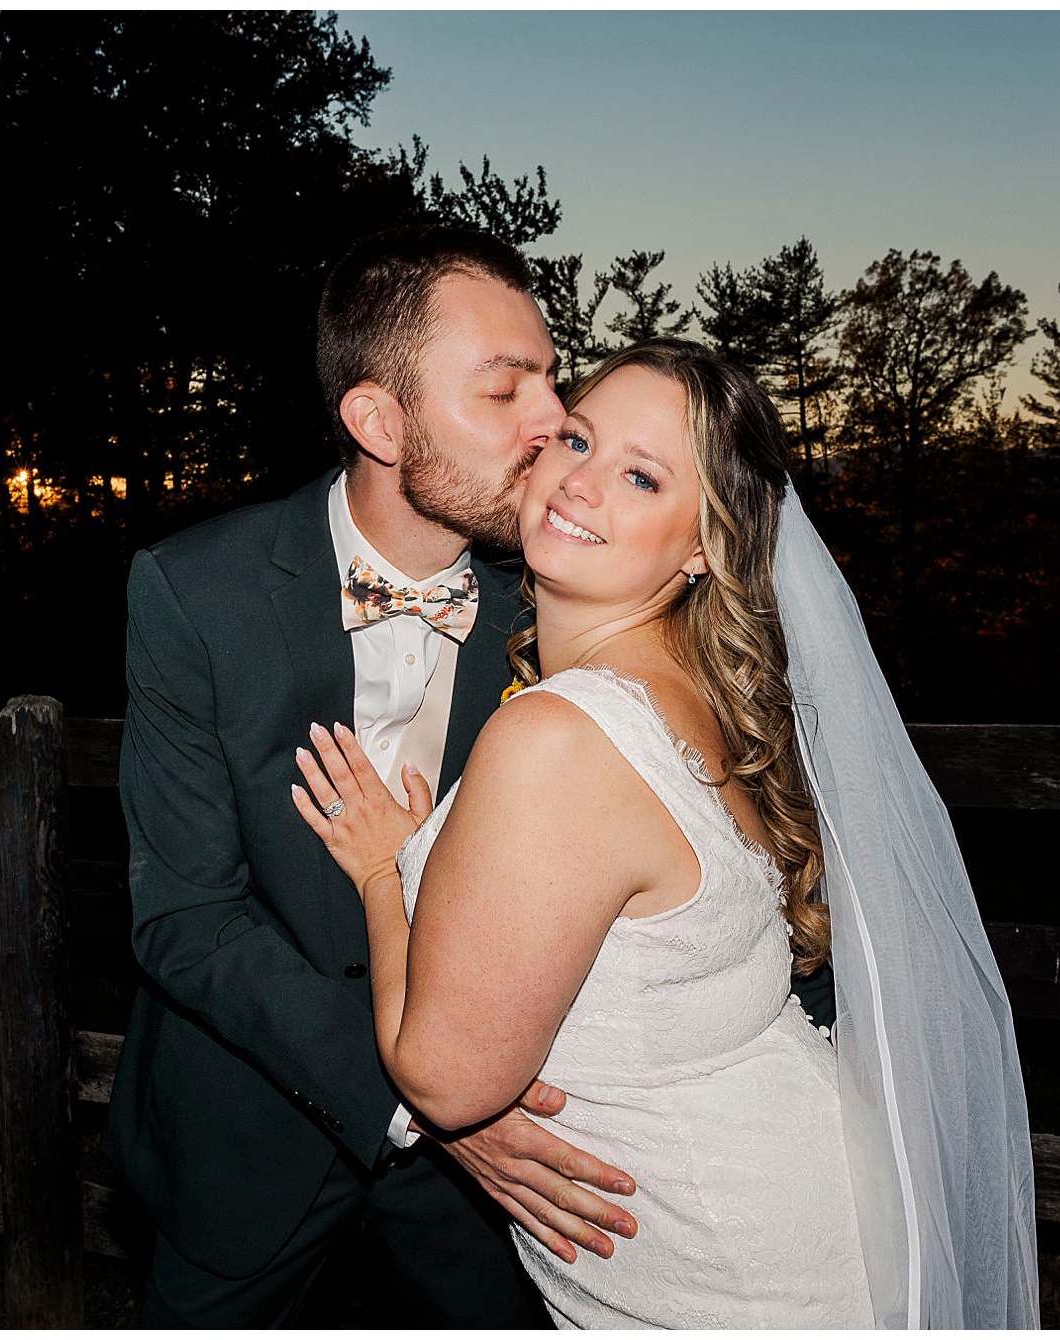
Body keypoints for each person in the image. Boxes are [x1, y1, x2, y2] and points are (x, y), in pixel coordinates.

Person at [294, 339, 1041, 1328]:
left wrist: (384, 869)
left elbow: (444, 1076)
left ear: (700, 545)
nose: (580, 482)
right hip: (808, 1214)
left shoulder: (556, 736)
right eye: (576, 438)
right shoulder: (692, 698)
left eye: (640, 475)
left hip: (726, 1277)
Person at [103, 225, 634, 1328]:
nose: (553, 418)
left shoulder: (564, 602)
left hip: (494, 1170)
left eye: (550, 376)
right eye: (504, 388)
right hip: (245, 1130)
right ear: (377, 419)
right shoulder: (195, 593)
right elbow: (187, 916)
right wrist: (420, 1102)